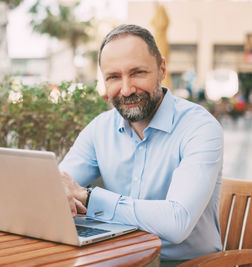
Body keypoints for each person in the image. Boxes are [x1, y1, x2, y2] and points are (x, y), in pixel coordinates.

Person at [59, 24, 223, 266]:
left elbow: (177, 223)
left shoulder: (200, 128)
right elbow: (61, 185)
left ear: (162, 69)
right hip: (120, 257)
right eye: (114, 77)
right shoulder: (100, 128)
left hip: (187, 262)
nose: (126, 89)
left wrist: (88, 197)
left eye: (137, 73)